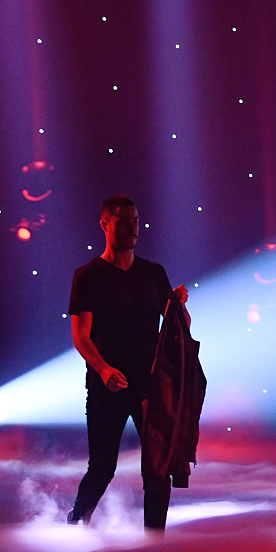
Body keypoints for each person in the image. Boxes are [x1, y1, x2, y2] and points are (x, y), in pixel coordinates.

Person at [66, 194, 189, 530]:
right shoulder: (88, 276)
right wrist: (103, 369)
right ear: (105, 225)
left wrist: (179, 307)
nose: (132, 229)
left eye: (135, 222)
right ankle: (76, 524)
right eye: (123, 223)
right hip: (107, 387)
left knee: (158, 467)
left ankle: (154, 542)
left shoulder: (153, 273)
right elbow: (81, 336)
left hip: (151, 385)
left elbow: (178, 329)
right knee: (102, 467)